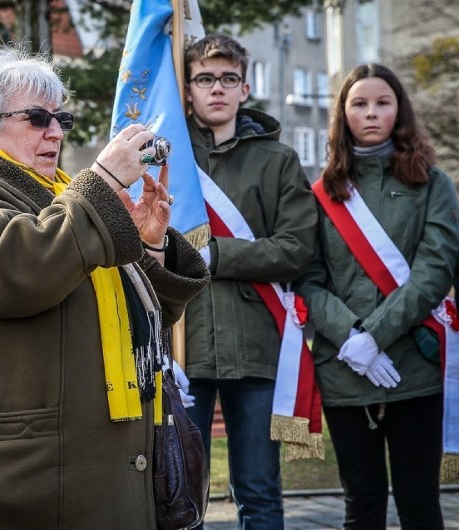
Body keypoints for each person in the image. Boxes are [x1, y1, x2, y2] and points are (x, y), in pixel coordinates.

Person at [0, 46, 210, 529]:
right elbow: (19, 273)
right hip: (11, 480)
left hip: (84, 470)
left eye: (61, 117)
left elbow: (141, 320)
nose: (56, 131)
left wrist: (149, 245)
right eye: (37, 117)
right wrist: (102, 181)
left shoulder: (68, 200)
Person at [296, 64, 458, 529]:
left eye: (382, 103)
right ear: (343, 116)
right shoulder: (322, 193)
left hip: (415, 366)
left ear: (399, 110)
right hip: (344, 368)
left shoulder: (433, 184)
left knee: (420, 503)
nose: (371, 113)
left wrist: (375, 335)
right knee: (361, 505)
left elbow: (434, 272)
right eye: (359, 104)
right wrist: (351, 340)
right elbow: (308, 278)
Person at [177, 34, 317, 529]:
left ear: (245, 87)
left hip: (257, 343)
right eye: (205, 79)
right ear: (187, 89)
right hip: (180, 346)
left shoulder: (276, 159)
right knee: (179, 493)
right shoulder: (162, 154)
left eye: (228, 78)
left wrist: (216, 254)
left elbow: (297, 248)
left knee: (258, 490)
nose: (217, 88)